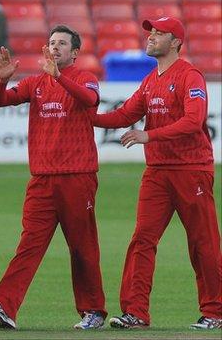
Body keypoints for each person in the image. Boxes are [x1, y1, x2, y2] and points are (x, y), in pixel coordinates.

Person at [93, 17, 222, 330]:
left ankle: (215, 312)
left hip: (191, 170)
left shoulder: (190, 76)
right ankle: (136, 313)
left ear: (175, 42)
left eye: (159, 33)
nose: (151, 36)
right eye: (151, 32)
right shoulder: (151, 79)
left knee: (202, 242)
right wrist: (85, 118)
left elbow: (194, 121)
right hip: (158, 172)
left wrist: (149, 136)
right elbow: (125, 115)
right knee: (142, 240)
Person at [0, 24, 107, 330]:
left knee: (82, 246)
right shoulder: (36, 83)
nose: (56, 47)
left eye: (62, 43)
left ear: (75, 53)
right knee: (29, 244)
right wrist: (2, 80)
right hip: (42, 179)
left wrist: (60, 78)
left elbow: (89, 101)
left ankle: (94, 311)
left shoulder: (85, 78)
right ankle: (5, 306)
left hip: (77, 176)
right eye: (52, 42)